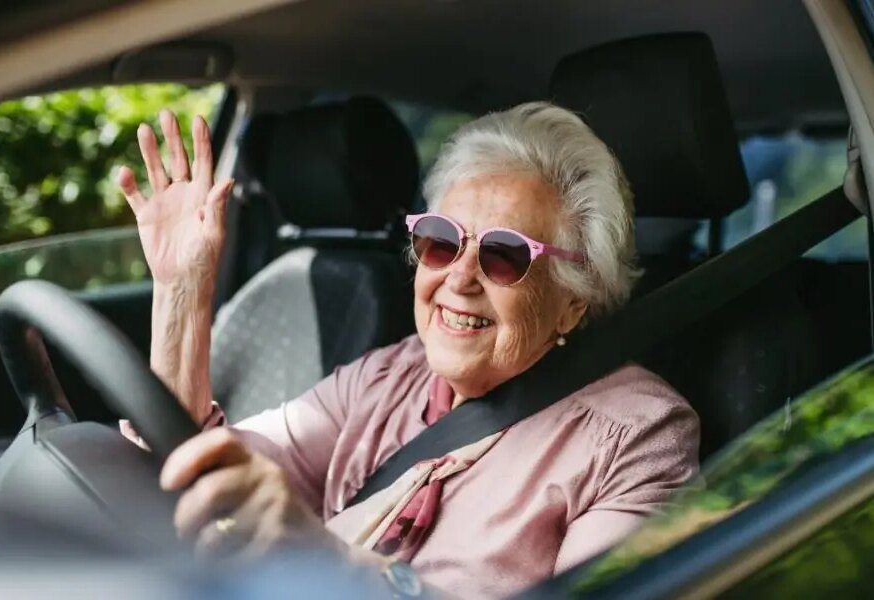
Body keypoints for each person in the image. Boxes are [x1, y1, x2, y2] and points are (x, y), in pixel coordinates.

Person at [117, 102, 700, 599]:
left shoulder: (635, 437)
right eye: (442, 241)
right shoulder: (389, 376)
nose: (460, 278)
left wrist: (328, 557)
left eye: (504, 255)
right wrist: (183, 292)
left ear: (575, 300)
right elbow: (197, 471)